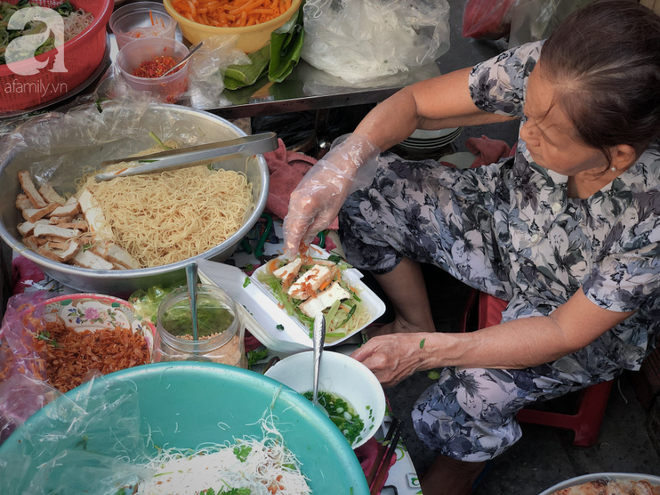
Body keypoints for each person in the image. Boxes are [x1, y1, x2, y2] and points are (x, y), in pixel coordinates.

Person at [283, 1, 660, 494]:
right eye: (526, 112)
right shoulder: (554, 70)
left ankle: (452, 477)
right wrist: (344, 162)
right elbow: (416, 103)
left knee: (480, 390)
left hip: (570, 309)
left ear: (619, 154)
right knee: (363, 188)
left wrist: (431, 355)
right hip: (503, 217)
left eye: (545, 134)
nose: (522, 132)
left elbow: (563, 329)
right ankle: (414, 319)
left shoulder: (652, 216)